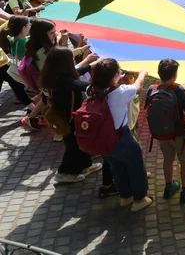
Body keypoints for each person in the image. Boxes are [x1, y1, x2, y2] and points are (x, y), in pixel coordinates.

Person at [90, 58, 151, 211]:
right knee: (135, 167)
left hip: (102, 139)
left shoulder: (91, 90)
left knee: (117, 168)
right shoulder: (120, 92)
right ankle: (139, 199)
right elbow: (137, 87)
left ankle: (125, 197)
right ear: (114, 76)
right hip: (121, 137)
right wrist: (142, 74)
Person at [40, 47, 103, 183]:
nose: (73, 60)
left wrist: (92, 64)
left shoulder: (54, 75)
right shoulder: (64, 81)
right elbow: (84, 84)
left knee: (78, 142)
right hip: (70, 118)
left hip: (66, 116)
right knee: (74, 146)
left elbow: (76, 72)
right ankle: (64, 172)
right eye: (71, 59)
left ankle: (86, 165)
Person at [145, 59, 185, 204]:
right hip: (179, 134)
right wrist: (184, 92)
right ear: (175, 75)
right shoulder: (179, 89)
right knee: (184, 161)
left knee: (168, 159)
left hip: (162, 135)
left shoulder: (152, 88)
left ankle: (169, 186)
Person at [0, 16, 34, 108]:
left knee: (17, 88)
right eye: (29, 24)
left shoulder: (11, 39)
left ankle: (32, 107)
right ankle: (33, 110)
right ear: (24, 27)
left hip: (12, 66)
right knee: (19, 88)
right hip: (20, 69)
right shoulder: (26, 42)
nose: (30, 25)